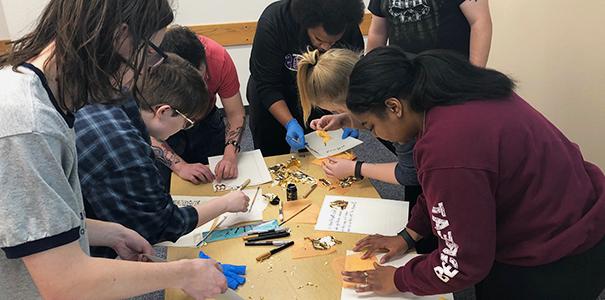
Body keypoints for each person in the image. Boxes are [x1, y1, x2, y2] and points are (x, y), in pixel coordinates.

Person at [0, 1, 228, 298]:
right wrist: (182, 272)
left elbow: (32, 221)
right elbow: (66, 283)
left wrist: (109, 232)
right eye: (150, 53)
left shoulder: (41, 94)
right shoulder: (27, 125)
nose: (148, 70)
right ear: (120, 37)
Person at [340, 46, 605, 299]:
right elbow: (446, 196)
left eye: (371, 126)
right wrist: (409, 235)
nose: (377, 135)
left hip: (555, 257)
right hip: (576, 213)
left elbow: (464, 263)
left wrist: (399, 280)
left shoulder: (448, 146)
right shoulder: (454, 91)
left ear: (394, 107)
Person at [75, 52, 250, 258]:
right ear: (164, 112)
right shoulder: (126, 152)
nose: (185, 129)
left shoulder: (115, 97)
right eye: (187, 123)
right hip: (74, 246)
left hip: (85, 221)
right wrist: (226, 203)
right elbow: (163, 225)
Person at [297, 48, 436, 253]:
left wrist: (357, 168)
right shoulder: (385, 94)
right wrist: (344, 120)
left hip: (445, 187)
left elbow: (410, 173)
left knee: (431, 235)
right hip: (432, 179)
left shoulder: (404, 121)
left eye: (338, 110)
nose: (371, 129)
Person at [247, 0, 365, 156]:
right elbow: (267, 84)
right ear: (305, 22)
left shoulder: (347, 22)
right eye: (319, 39)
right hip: (274, 96)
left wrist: (351, 119)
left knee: (323, 157)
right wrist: (289, 123)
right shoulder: (275, 21)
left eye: (334, 42)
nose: (326, 48)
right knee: (273, 158)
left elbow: (352, 79)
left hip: (320, 97)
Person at [154, 25, 247, 189]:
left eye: (201, 80)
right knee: (166, 186)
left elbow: (236, 113)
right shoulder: (150, 69)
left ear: (204, 61)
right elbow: (146, 129)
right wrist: (179, 166)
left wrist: (230, 154)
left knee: (213, 182)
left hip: (207, 122)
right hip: (165, 128)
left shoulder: (219, 59)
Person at [366, 0, 492, 67]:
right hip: (403, 76)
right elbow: (378, 32)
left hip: (451, 75)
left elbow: (480, 22)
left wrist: (475, 73)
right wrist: (370, 71)